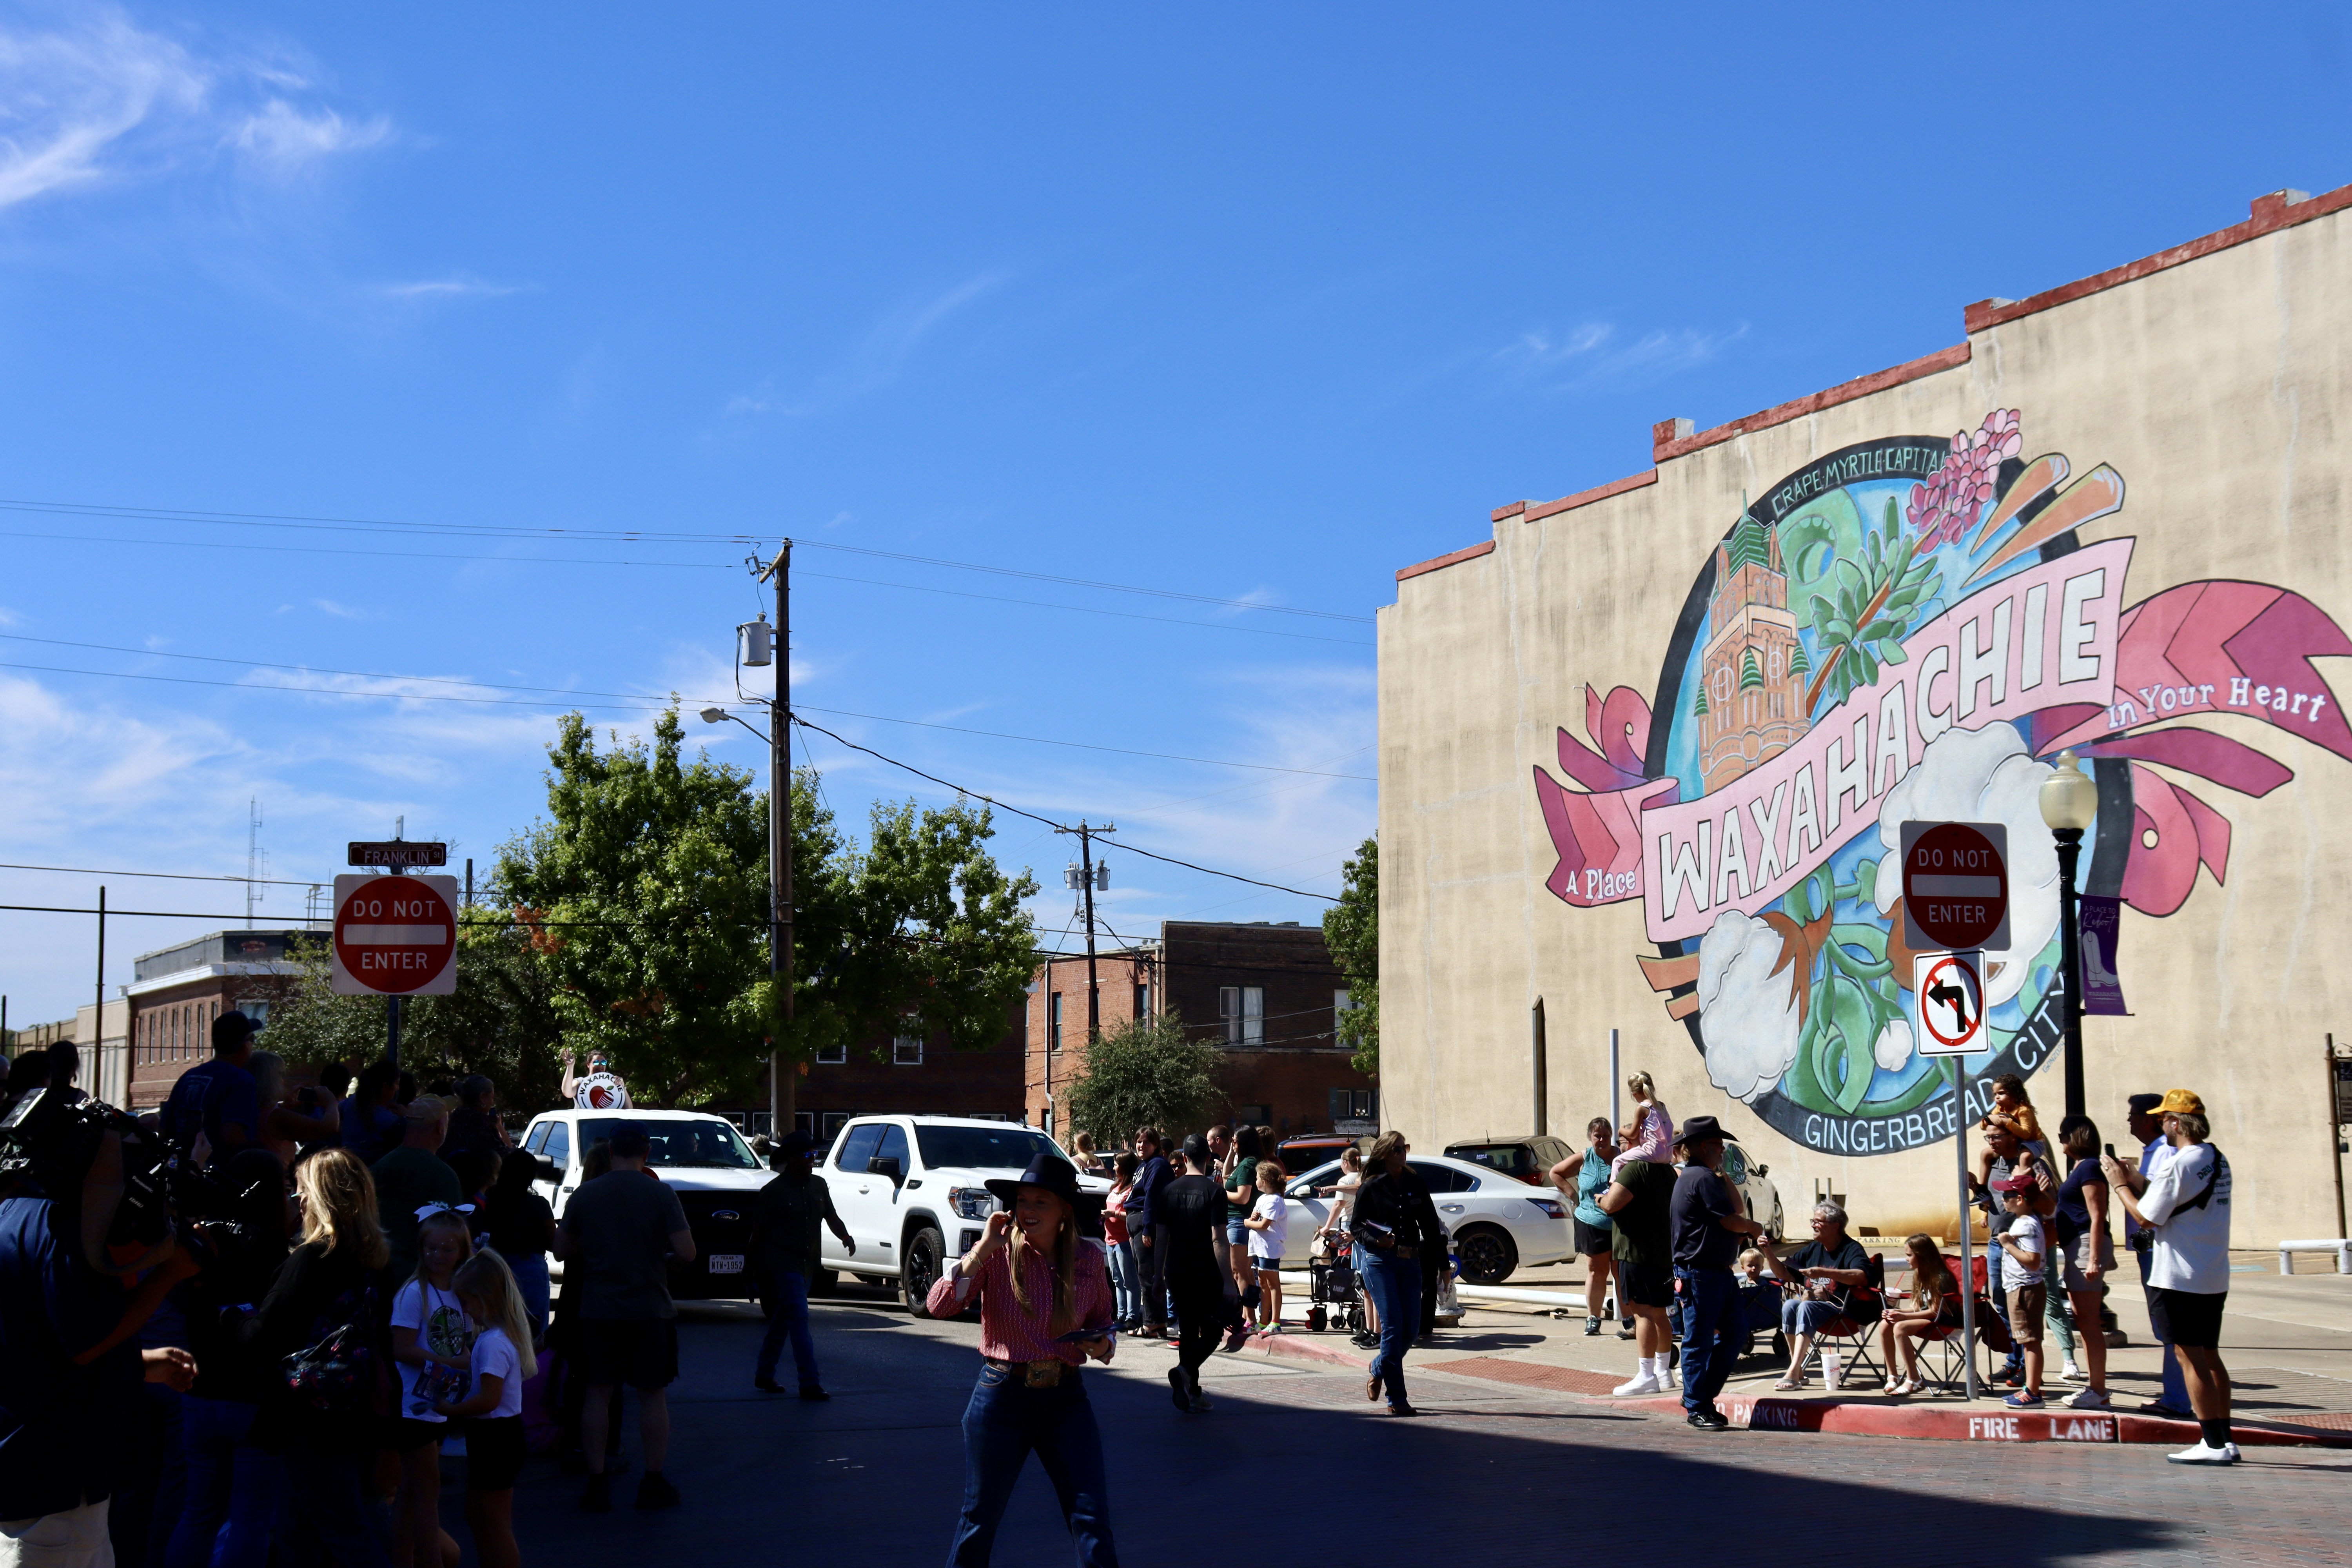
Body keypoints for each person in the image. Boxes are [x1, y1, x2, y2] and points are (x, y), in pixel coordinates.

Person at [0, 1091, 196, 1568]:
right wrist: (170, 1272)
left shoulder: (11, 1213)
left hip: (28, 1471)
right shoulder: (62, 1228)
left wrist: (138, 1363)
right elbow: (85, 1341)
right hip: (54, 1483)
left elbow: (39, 1341)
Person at [926, 1153, 1118, 1566]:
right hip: (1002, 1397)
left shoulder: (1089, 1258)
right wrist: (982, 1248)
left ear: (1064, 1210)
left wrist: (1102, 1346)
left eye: (1040, 1202)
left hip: (1067, 1400)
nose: (1028, 1210)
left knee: (1091, 1515)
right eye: (1023, 1201)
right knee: (980, 1518)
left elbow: (1104, 1322)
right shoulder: (997, 1253)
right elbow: (938, 1305)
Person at [239, 1148, 396, 1568]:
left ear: (323, 1197)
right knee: (300, 1535)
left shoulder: (312, 1259)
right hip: (356, 1411)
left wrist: (227, 1319)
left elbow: (263, 1335)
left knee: (348, 1538)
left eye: (303, 1190)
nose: (299, 1200)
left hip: (311, 1417)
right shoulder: (374, 1261)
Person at [554, 1122, 695, 1512]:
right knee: (652, 1395)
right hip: (650, 1308)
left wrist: (599, 1244)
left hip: (599, 1309)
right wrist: (658, 1259)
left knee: (597, 1393)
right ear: (647, 1152)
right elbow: (687, 1252)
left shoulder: (585, 1195)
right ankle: (653, 1480)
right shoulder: (661, 1193)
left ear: (611, 1150)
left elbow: (561, 1250)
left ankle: (596, 1481)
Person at [166, 1149, 292, 1568]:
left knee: (199, 1512)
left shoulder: (203, 1245)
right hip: (253, 1402)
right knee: (250, 1520)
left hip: (200, 1392)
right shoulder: (277, 1255)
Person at [2105, 1090, 2237, 1464]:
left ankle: (2212, 1443)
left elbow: (2146, 1217)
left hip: (2179, 1275)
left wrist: (2119, 1184)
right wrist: (2139, 1179)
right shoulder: (2215, 1158)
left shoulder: (2179, 1163)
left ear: (2177, 1123)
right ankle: (2224, 1438)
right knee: (2210, 1355)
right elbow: (2177, 1201)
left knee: (2189, 1357)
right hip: (2212, 1273)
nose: (2161, 1124)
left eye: (2164, 1119)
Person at [432, 1251, 536, 1568]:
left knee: (495, 1521)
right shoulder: (497, 1339)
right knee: (478, 1515)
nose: (465, 1310)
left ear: (484, 1298)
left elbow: (490, 1400)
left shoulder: (492, 1343)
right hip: (494, 1437)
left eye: (467, 1303)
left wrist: (451, 1409)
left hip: (496, 1438)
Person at [389, 1209, 475, 1568]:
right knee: (428, 1490)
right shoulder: (414, 1293)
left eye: (447, 1249)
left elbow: (461, 1344)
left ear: (462, 1252)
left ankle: (401, 1560)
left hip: (439, 1404)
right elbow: (401, 1348)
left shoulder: (460, 1293)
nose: (438, 1255)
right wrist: (449, 1363)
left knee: (412, 1493)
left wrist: (467, 1360)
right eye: (431, 1248)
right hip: (412, 1406)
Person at [1668, 1118, 1765, 1430]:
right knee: (1699, 1342)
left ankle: (1699, 1398)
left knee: (1735, 1334)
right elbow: (1732, 1220)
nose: (1722, 1150)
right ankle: (1697, 1405)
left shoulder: (1706, 1176)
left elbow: (1735, 1208)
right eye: (1717, 1145)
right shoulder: (1700, 1177)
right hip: (1700, 1274)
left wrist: (1722, 1173)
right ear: (1701, 1147)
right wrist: (1752, 1228)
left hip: (1716, 1274)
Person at [748, 1131, 854, 1399]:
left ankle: (764, 1373)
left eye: (814, 1155)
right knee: (799, 1318)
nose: (811, 1160)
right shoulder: (773, 1192)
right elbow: (758, 1234)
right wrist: (749, 1268)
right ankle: (809, 1382)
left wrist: (846, 1237)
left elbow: (831, 1216)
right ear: (791, 1158)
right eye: (806, 1155)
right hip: (783, 1264)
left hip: (808, 1264)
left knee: (783, 1319)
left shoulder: (819, 1185)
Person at [1348, 1131, 1443, 1416]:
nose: (1403, 1154)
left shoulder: (1415, 1183)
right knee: (1392, 1326)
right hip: (1380, 1262)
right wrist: (1377, 1240)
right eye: (1397, 1149)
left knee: (1411, 1330)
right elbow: (1356, 1227)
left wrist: (1443, 1265)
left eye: (1405, 1148)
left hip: (1410, 1262)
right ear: (1385, 1154)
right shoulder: (1372, 1186)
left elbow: (1431, 1225)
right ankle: (1397, 1399)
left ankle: (1378, 1367)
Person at [2116, 1091, 2194, 1417]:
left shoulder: (2166, 1152)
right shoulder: (2155, 1150)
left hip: (2158, 1248)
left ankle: (2178, 1399)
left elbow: (2154, 1206)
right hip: (2147, 1247)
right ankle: (2176, 1394)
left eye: (2133, 1114)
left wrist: (2121, 1184)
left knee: (2170, 1328)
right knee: (2166, 1327)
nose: (2129, 1120)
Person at [1596, 1124, 1677, 1396]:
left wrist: (1600, 1200)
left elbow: (1612, 1204)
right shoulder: (1667, 1170)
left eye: (1624, 1140)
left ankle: (1646, 1376)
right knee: (1660, 1313)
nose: (1621, 1145)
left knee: (1643, 1314)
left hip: (1635, 1253)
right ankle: (1663, 1372)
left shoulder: (1634, 1169)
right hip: (1662, 1254)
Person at [1760, 1201, 1872, 1391]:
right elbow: (1785, 1274)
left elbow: (1862, 1276)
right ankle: (1798, 1371)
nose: (1813, 1225)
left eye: (1818, 1221)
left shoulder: (1851, 1249)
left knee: (1805, 1306)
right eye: (1813, 1221)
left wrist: (1824, 1273)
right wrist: (1768, 1252)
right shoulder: (1814, 1249)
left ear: (1835, 1226)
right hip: (1815, 1311)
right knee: (1790, 1306)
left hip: (1844, 1313)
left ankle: (1793, 1372)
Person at [1155, 1135, 1226, 1412]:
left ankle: (1192, 1391)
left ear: (1184, 1158)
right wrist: (1229, 1281)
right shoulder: (1215, 1192)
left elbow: (1162, 1237)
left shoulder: (1168, 1191)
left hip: (1177, 1270)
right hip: (1205, 1271)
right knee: (1213, 1331)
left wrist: (1158, 1276)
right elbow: (1218, 1239)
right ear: (1208, 1158)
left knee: (1188, 1330)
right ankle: (1185, 1372)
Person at [2052, 1118, 2115, 1409]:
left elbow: (2097, 1214)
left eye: (2063, 1136)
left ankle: (2098, 1390)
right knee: (2084, 1320)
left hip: (2085, 1245)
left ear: (2075, 1137)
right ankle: (2096, 1388)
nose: (2060, 1141)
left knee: (2089, 1323)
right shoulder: (2079, 1167)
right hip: (2076, 1246)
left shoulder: (2089, 1167)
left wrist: (2093, 1260)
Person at [372, 1096, 463, 1285]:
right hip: (419, 1281)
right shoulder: (443, 1176)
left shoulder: (377, 1168)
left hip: (375, 1274)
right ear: (441, 1128)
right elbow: (451, 1237)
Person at [158, 1011, 263, 1169]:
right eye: (252, 1039)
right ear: (243, 1047)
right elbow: (232, 1135)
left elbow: (164, 1130)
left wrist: (173, 1168)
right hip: (217, 1177)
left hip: (179, 1171)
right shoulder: (240, 1080)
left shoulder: (188, 1076)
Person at [1548, 1117, 1619, 1336]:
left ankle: (1629, 1321)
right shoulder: (1585, 1157)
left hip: (1620, 1225)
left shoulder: (1621, 1157)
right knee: (1597, 1272)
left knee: (1621, 1273)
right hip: (1591, 1223)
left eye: (1606, 1135)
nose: (1602, 1140)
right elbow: (1555, 1173)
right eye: (1598, 1136)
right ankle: (1594, 1319)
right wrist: (1574, 1196)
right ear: (1590, 1137)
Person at [1877, 1234, 1961, 1396]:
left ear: (1922, 1255)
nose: (1906, 1259)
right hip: (1927, 1318)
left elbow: (1935, 1311)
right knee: (1885, 1324)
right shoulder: (1919, 1274)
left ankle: (1914, 1379)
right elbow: (1917, 1307)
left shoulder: (1941, 1277)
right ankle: (1892, 1375)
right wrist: (1897, 1312)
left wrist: (1903, 1317)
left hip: (1943, 1321)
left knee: (1901, 1328)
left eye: (1910, 1255)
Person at [484, 1150, 555, 1340]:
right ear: (531, 1176)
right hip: (529, 1268)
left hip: (495, 1266)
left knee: (498, 1330)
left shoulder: (491, 1200)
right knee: (532, 1334)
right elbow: (553, 1243)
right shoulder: (538, 1204)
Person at [1992, 1175, 2047, 1407]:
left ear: (2021, 1199)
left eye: (2008, 1195)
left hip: (2025, 1289)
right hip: (2020, 1288)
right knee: (2027, 1341)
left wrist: (2007, 1245)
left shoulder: (2027, 1224)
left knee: (2030, 1341)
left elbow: (2033, 1261)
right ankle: (2030, 1389)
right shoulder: (2023, 1221)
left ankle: (2032, 1393)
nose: (2003, 1199)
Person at [1121, 1129, 1171, 1339]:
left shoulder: (1157, 1165)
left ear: (1156, 1145)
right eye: (1139, 1142)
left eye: (1147, 1142)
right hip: (1137, 1224)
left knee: (1148, 1275)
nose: (1142, 1146)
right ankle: (1157, 1323)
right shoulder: (1144, 1165)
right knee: (1145, 1275)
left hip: (1146, 1223)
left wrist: (1148, 1229)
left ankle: (1152, 1324)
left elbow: (1153, 1198)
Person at [1243, 1160, 1287, 1332]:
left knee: (1273, 1284)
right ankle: (1263, 1321)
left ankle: (1275, 1322)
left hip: (1270, 1248)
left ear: (1266, 1181)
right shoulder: (1263, 1199)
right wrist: (1253, 1218)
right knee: (1263, 1283)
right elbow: (1257, 1218)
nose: (1256, 1181)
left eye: (1258, 1178)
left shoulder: (1275, 1201)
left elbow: (1264, 1225)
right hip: (1259, 1247)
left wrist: (1248, 1223)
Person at [338, 1062, 404, 1166]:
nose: (398, 1088)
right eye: (397, 1084)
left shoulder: (351, 1102)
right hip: (369, 1170)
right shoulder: (389, 1121)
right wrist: (406, 1116)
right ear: (385, 1086)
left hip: (344, 1162)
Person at [1103, 1154, 1140, 1331]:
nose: (1114, 1168)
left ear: (1125, 1167)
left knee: (1129, 1281)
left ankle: (1132, 1317)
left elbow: (1133, 1214)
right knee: (1117, 1280)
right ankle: (1121, 1315)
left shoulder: (1133, 1189)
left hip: (1124, 1241)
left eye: (1117, 1164)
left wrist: (1114, 1215)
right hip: (1110, 1241)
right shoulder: (1115, 1187)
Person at [1611, 1071, 1673, 1174]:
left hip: (1654, 1152)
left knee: (1617, 1162)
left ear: (1634, 1094)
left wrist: (1621, 1131)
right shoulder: (1662, 1106)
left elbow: (1632, 1134)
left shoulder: (1643, 1108)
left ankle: (1614, 1184)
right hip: (1668, 1154)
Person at [444, 1078, 512, 1160]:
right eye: (492, 1098)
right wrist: (499, 1126)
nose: (492, 1102)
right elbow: (507, 1156)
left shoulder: (453, 1118)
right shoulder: (483, 1124)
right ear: (483, 1098)